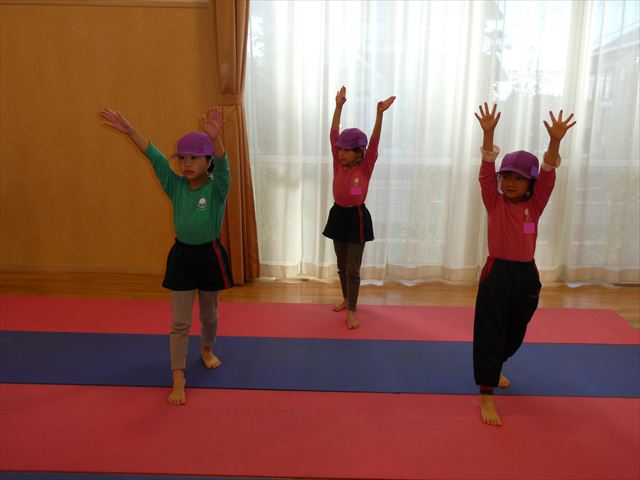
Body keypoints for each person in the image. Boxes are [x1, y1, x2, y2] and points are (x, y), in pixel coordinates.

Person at [99, 106, 234, 406]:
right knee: (180, 322)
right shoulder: (175, 186)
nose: (186, 164)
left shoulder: (217, 189)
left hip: (210, 256)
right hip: (182, 258)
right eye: (182, 158)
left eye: (193, 158)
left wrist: (216, 140)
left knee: (209, 315)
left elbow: (224, 167)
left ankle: (207, 349)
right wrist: (129, 130)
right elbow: (155, 156)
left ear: (208, 161)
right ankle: (178, 375)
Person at [473, 103, 576, 426]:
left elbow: (548, 175)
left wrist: (554, 142)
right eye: (506, 176)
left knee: (515, 331)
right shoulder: (494, 201)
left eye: (518, 178)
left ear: (530, 184)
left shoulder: (536, 203)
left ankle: (496, 365)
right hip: (497, 274)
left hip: (525, 275)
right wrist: (488, 135)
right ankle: (486, 394)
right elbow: (485, 171)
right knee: (490, 332)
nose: (510, 183)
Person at [322, 86, 395, 329]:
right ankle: (346, 298)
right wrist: (338, 107)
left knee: (353, 268)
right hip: (338, 215)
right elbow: (333, 132)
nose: (341, 153)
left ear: (359, 152)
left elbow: (375, 141)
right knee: (342, 265)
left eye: (347, 150)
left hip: (357, 218)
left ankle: (352, 309)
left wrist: (380, 114)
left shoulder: (366, 165)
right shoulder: (338, 163)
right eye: (340, 149)